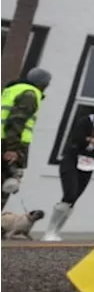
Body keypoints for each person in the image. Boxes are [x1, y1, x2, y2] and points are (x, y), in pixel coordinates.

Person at [42, 90, 94, 242]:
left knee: (74, 197)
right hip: (72, 159)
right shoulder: (85, 120)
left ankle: (56, 231)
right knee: (69, 192)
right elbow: (78, 139)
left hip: (88, 162)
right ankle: (49, 231)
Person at [0, 68, 52, 209]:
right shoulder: (30, 95)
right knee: (6, 186)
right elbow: (17, 121)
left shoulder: (11, 90)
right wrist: (12, 149)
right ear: (43, 83)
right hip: (8, 145)